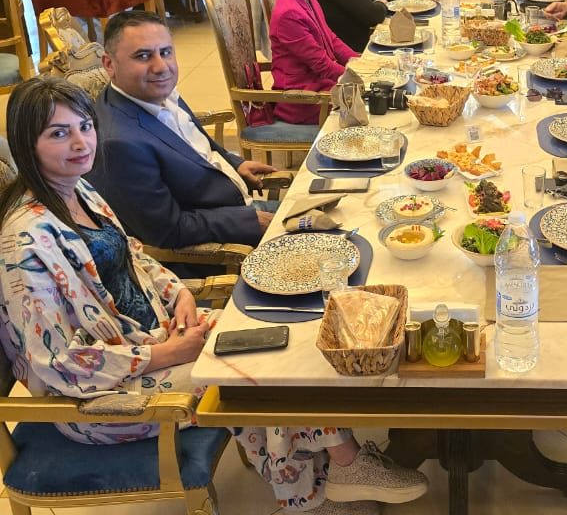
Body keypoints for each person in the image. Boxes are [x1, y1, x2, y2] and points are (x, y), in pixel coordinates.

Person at [0, 77, 430, 515]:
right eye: (59, 133)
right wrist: (167, 354)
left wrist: (179, 297)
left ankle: (336, 468)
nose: (80, 143)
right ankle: (320, 489)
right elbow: (57, 364)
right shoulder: (26, 243)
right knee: (258, 370)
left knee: (276, 333)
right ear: (26, 144)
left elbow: (134, 256)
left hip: (151, 337)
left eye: (85, 126)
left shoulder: (77, 190)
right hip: (101, 399)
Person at [89, 12, 277, 253]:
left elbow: (196, 146)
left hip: (235, 206)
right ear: (109, 64)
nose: (161, 67)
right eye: (143, 56)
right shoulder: (119, 144)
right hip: (226, 243)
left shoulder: (154, 92)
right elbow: (168, 230)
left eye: (165, 52)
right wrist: (249, 221)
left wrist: (234, 163)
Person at [269, 0, 358, 125]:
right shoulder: (288, 14)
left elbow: (331, 38)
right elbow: (322, 65)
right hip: (304, 99)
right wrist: (359, 76)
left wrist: (360, 61)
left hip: (321, 85)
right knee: (374, 104)